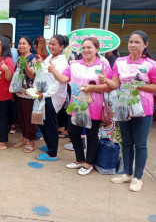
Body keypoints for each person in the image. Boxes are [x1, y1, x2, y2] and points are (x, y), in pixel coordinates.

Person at [49, 37, 111, 175]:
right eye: (83, 48)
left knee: (91, 134)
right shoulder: (75, 64)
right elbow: (64, 79)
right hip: (76, 105)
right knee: (73, 131)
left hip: (94, 106)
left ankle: (89, 163)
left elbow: (109, 86)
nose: (86, 50)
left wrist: (91, 88)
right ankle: (80, 160)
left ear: (97, 49)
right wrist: (53, 71)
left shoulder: (103, 65)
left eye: (89, 47)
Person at [102, 30, 156, 192]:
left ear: (145, 45)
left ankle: (138, 177)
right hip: (123, 106)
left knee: (140, 144)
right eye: (131, 41)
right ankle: (127, 173)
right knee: (126, 141)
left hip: (143, 108)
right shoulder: (120, 62)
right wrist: (106, 81)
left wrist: (137, 85)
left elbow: (154, 86)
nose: (133, 45)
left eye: (137, 42)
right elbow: (116, 84)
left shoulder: (151, 65)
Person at [32, 35, 69, 161]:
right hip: (43, 94)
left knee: (50, 124)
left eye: (54, 44)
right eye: (50, 43)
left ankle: (52, 153)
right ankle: (49, 145)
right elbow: (44, 74)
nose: (50, 46)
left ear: (62, 47)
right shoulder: (50, 57)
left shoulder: (62, 62)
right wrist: (40, 64)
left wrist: (45, 95)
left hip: (52, 97)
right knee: (42, 122)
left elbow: (59, 82)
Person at [12, 36, 37, 152]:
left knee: (29, 118)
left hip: (29, 94)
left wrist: (25, 64)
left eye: (24, 43)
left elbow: (32, 75)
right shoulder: (19, 58)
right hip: (19, 92)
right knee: (21, 118)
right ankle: (25, 138)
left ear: (30, 46)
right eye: (19, 43)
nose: (21, 45)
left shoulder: (32, 58)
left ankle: (32, 141)